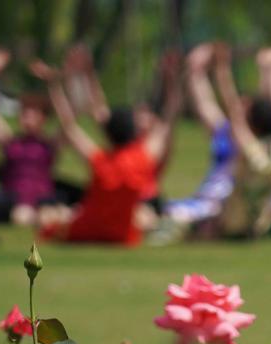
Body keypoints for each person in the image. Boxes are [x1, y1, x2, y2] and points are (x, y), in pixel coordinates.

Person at [32, 55, 180, 246]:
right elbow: (167, 121)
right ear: (134, 132)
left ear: (108, 134)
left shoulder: (100, 160)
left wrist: (54, 86)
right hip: (122, 236)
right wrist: (173, 82)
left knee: (54, 218)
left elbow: (69, 126)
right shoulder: (143, 158)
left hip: (85, 232)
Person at [188, 42, 271, 240]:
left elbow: (235, 115)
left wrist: (222, 69)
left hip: (229, 224)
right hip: (258, 226)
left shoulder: (252, 153)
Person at [0, 42, 58, 225]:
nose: (26, 117)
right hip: (12, 202)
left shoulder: (49, 144)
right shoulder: (10, 142)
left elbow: (68, 120)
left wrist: (52, 84)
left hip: (42, 202)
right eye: (24, 113)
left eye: (32, 113)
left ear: (44, 118)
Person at [164, 43, 237, 225]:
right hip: (203, 202)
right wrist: (195, 69)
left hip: (220, 208)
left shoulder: (256, 145)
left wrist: (222, 70)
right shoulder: (227, 134)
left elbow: (229, 100)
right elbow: (204, 102)